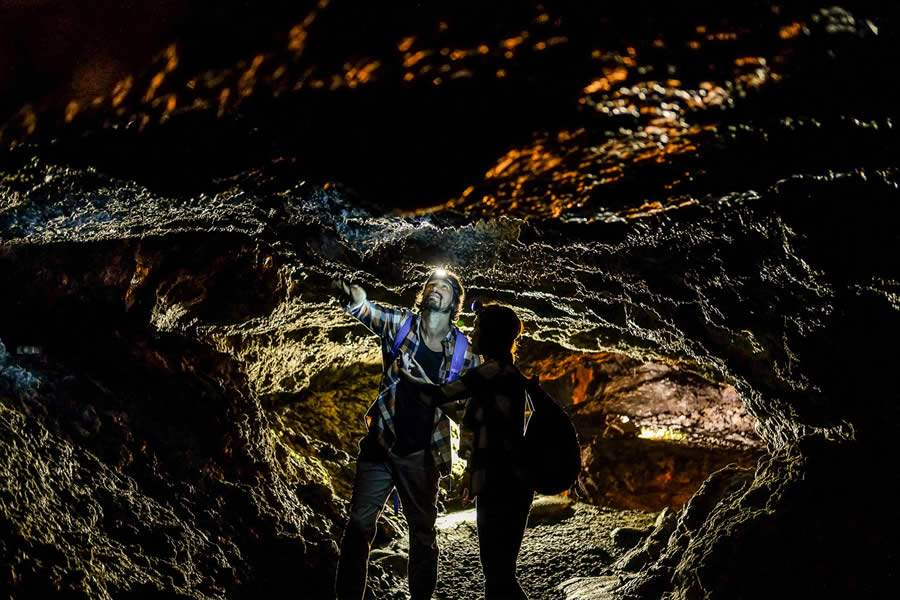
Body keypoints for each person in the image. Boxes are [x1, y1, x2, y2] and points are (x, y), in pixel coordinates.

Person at [332, 269, 480, 600]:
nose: (434, 290)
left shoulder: (463, 352)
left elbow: (472, 411)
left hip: (422, 456)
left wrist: (472, 463)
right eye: (431, 285)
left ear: (455, 302)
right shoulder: (402, 325)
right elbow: (371, 314)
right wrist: (358, 303)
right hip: (380, 446)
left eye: (443, 287)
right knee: (358, 527)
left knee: (423, 536)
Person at [400, 303, 533, 600]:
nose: (472, 334)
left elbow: (441, 395)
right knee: (500, 572)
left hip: (501, 483)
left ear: (493, 335)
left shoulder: (491, 371)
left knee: (498, 573)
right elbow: (464, 412)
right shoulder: (507, 373)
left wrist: (409, 372)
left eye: (478, 328)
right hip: (511, 481)